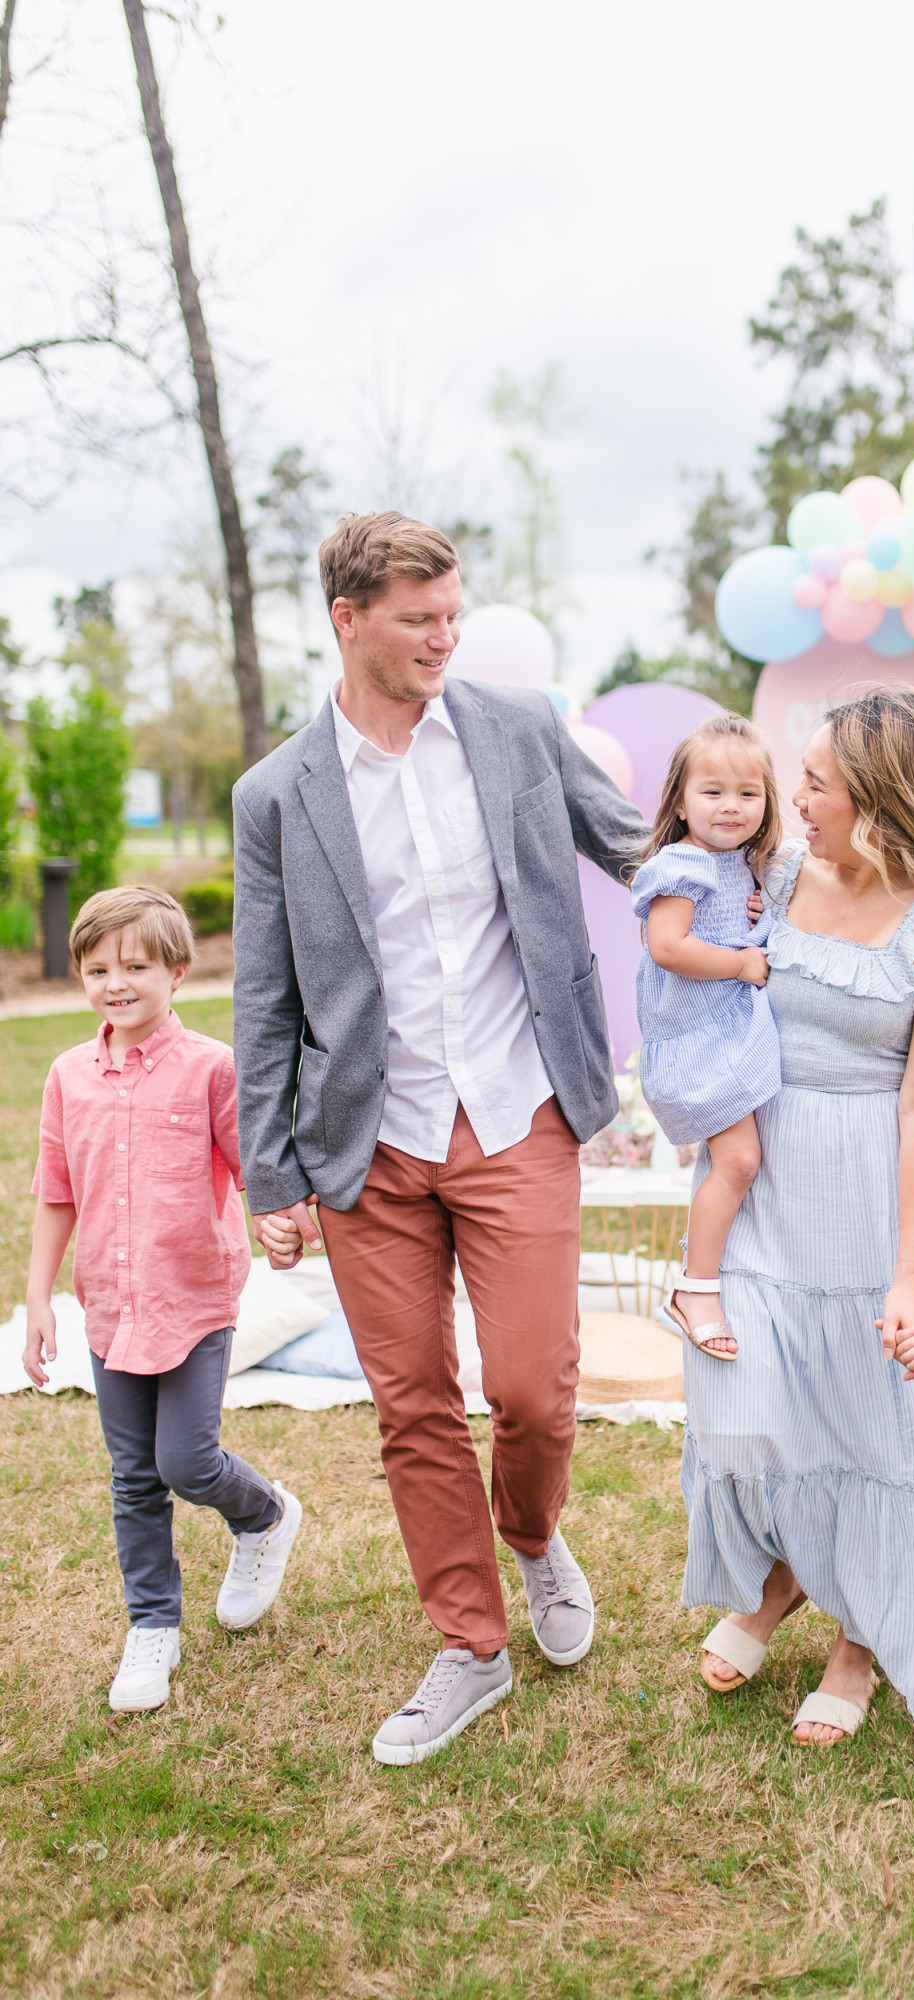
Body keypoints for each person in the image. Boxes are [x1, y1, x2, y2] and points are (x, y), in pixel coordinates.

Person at [231, 511, 645, 1766]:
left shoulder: (517, 728)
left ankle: (532, 1533)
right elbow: (264, 995)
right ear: (348, 621)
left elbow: (639, 849)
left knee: (532, 1389)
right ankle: (470, 1646)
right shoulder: (277, 795)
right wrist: (274, 1172)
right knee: (413, 1404)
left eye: (451, 614)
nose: (441, 639)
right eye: (417, 619)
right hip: (369, 1140)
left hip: (519, 1104)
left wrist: (795, 888)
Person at [684, 688, 914, 1744]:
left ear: (879, 797)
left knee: (875, 1419)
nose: (799, 794)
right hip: (758, 1177)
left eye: (819, 778)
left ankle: (859, 1639)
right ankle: (780, 1575)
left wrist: (910, 1274)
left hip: (869, 1183)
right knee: (754, 1395)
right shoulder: (772, 872)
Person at [23, 886, 300, 1713]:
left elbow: (250, 1163)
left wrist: (276, 1222)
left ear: (177, 972)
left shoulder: (212, 1066)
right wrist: (39, 1300)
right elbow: (55, 1191)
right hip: (109, 1305)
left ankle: (264, 1515)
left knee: (184, 1462)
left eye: (136, 965)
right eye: (98, 967)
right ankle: (152, 1625)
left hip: (193, 1299)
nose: (116, 981)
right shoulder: (68, 1075)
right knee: (133, 1477)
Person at [631, 714, 784, 1360]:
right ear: (679, 801)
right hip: (698, 1039)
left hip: (729, 1034)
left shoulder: (741, 867)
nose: (730, 806)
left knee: (753, 1162)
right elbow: (667, 946)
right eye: (712, 791)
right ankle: (695, 1287)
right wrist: (740, 962)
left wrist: (761, 909)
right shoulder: (683, 862)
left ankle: (729, 1276)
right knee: (739, 1161)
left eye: (747, 793)